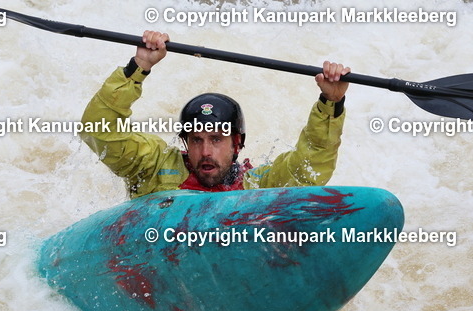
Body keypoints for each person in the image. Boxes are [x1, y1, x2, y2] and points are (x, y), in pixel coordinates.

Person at [80, 30, 350, 198]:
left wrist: (331, 101)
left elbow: (312, 165)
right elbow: (97, 129)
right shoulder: (150, 166)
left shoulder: (260, 186)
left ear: (237, 143)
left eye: (217, 139)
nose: (206, 151)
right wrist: (139, 66)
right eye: (196, 140)